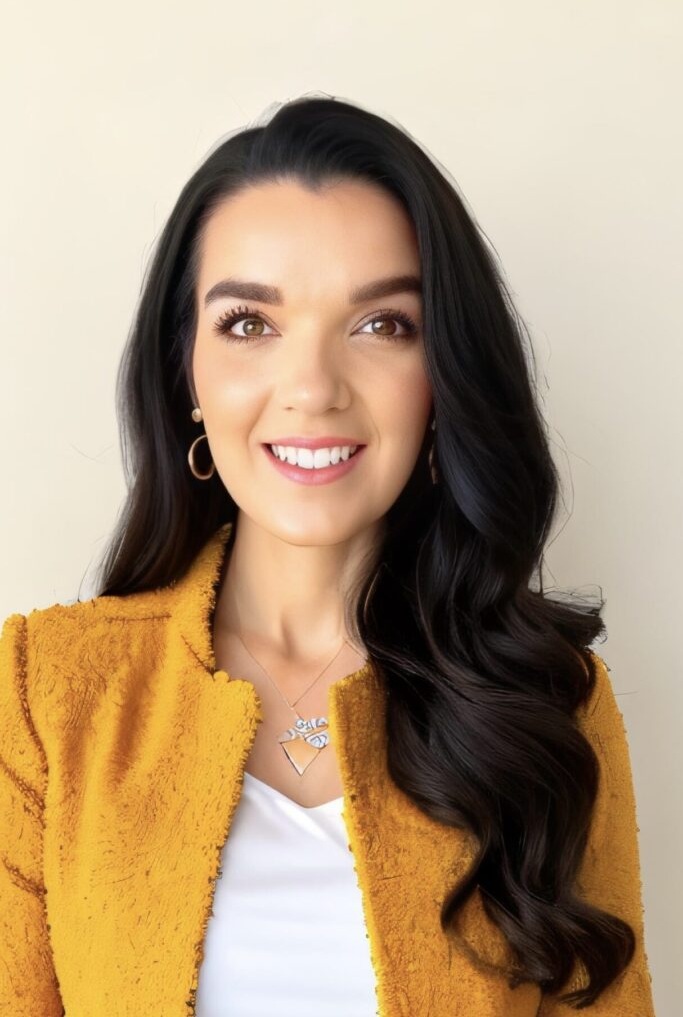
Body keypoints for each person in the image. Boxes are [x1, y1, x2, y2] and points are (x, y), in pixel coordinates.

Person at [0, 93, 655, 1016]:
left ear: (444, 378)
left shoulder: (550, 703)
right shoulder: (45, 691)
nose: (310, 388)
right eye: (248, 324)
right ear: (184, 369)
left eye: (382, 324)